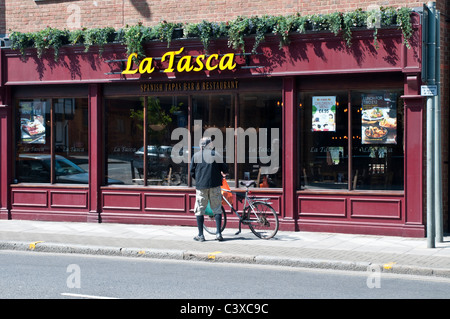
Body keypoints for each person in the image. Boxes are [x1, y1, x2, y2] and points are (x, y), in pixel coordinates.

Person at [190, 137, 228, 241]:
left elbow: (192, 172)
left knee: (200, 210)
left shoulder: (196, 156)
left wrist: (199, 179)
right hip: (215, 185)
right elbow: (225, 168)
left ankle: (201, 235)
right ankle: (218, 234)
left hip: (201, 186)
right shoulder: (216, 155)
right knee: (217, 209)